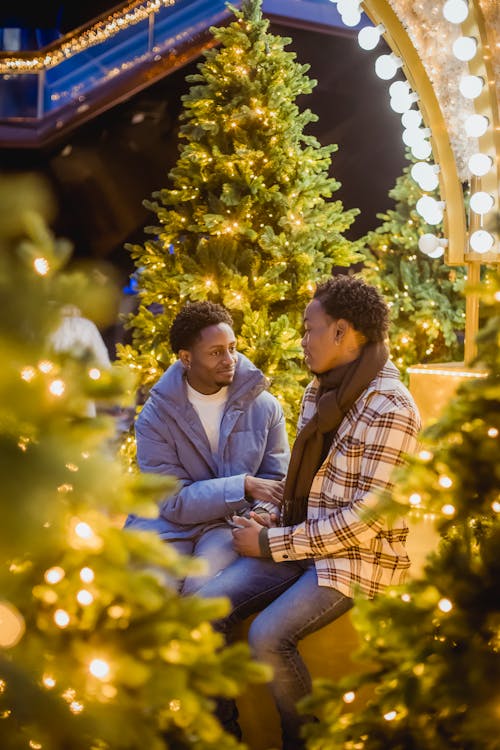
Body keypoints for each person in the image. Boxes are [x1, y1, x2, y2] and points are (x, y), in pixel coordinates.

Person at [197, 274, 422, 749]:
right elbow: (306, 487)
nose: (303, 341)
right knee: (202, 609)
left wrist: (270, 544)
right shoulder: (320, 391)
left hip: (357, 559)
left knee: (266, 636)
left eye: (308, 329)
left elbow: (367, 519)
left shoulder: (391, 407)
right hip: (303, 540)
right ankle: (220, 738)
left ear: (342, 332)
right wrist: (266, 517)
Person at [124, 300, 290, 594]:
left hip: (227, 525)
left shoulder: (264, 407)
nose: (229, 359)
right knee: (150, 591)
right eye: (216, 353)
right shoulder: (154, 416)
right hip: (166, 525)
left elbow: (276, 481)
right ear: (186, 358)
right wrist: (244, 486)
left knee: (203, 590)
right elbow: (172, 501)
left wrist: (262, 513)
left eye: (232, 347)